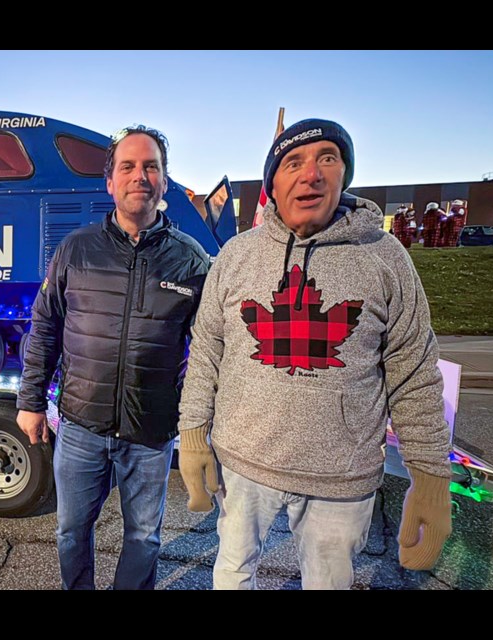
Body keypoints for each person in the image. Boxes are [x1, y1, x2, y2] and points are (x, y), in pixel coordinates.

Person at [176, 118, 452, 590]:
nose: (311, 174)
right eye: (293, 163)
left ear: (344, 174)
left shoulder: (384, 257)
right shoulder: (236, 257)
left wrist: (428, 475)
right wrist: (194, 434)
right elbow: (206, 353)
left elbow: (414, 373)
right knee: (232, 572)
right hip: (244, 463)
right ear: (273, 184)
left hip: (340, 479)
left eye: (328, 158)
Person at [16, 125, 209, 590]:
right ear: (110, 182)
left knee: (143, 537)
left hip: (151, 432)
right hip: (81, 426)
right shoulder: (76, 249)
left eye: (151, 167)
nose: (139, 176)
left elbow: (208, 351)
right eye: (128, 166)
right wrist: (31, 401)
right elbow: (45, 326)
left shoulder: (191, 260)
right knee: (70, 532)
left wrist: (198, 423)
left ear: (164, 181)